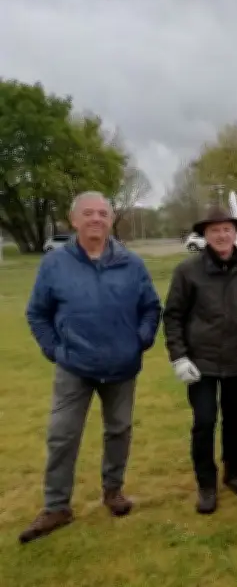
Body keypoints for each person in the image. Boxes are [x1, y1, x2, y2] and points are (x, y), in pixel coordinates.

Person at [20, 191, 162, 544]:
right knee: (62, 435)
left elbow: (151, 308)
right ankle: (56, 506)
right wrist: (55, 349)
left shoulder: (131, 263)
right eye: (88, 213)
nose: (96, 219)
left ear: (111, 220)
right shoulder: (55, 264)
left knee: (119, 430)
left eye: (102, 213)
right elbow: (37, 313)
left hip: (121, 366)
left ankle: (113, 491)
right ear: (74, 220)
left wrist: (140, 339)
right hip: (74, 368)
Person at [163, 208, 237, 514]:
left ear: (235, 233)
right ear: (205, 235)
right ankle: (206, 483)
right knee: (205, 421)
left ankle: (233, 472)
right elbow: (173, 316)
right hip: (202, 362)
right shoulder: (188, 271)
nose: (222, 236)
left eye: (226, 230)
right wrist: (179, 357)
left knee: (236, 422)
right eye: (214, 231)